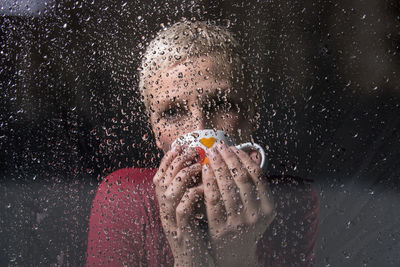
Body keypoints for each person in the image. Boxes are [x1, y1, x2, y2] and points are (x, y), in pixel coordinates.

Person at [87, 20, 319, 266]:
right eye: (173, 112)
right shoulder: (125, 197)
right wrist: (188, 257)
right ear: (155, 131)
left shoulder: (293, 200)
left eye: (221, 105)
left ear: (252, 113)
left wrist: (238, 257)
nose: (199, 130)